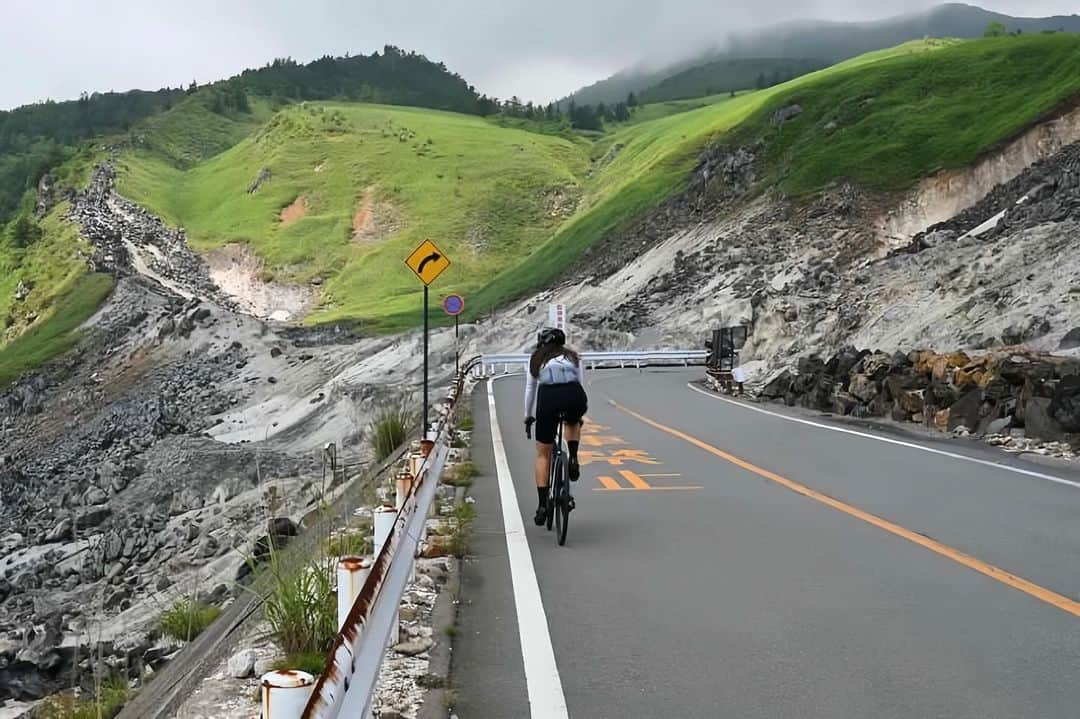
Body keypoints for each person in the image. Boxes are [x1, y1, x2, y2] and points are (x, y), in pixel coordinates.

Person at [524, 327, 588, 526]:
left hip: (548, 399)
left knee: (543, 453)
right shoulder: (572, 357)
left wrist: (528, 416)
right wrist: (579, 414)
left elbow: (530, 389)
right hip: (574, 395)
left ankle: (543, 505)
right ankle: (574, 458)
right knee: (573, 421)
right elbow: (580, 382)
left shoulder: (537, 359)